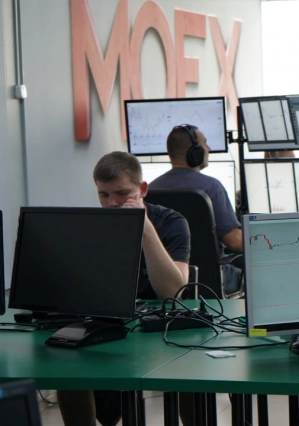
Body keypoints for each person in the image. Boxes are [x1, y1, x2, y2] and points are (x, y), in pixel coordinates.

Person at [57, 151, 192, 426]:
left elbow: (172, 292)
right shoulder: (93, 227)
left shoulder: (171, 222)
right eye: (103, 195)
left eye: (121, 194)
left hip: (162, 329)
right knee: (66, 368)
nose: (112, 203)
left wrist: (144, 227)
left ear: (142, 189)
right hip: (111, 327)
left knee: (192, 368)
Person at [150, 124, 242, 253]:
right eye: (205, 144)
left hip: (164, 266)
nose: (209, 149)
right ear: (195, 152)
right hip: (207, 266)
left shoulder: (150, 189)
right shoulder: (211, 187)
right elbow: (235, 242)